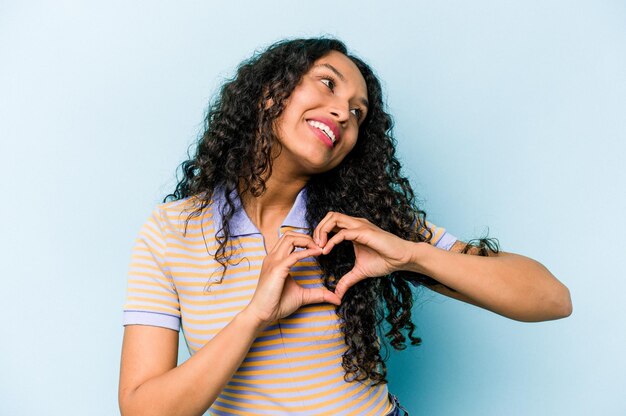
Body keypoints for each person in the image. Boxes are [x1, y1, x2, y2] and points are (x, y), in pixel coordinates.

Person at [118, 38, 572, 416]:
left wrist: (410, 254)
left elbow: (552, 299)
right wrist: (254, 316)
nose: (342, 113)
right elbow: (143, 408)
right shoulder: (169, 231)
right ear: (270, 91)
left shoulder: (363, 223)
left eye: (358, 113)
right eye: (327, 84)